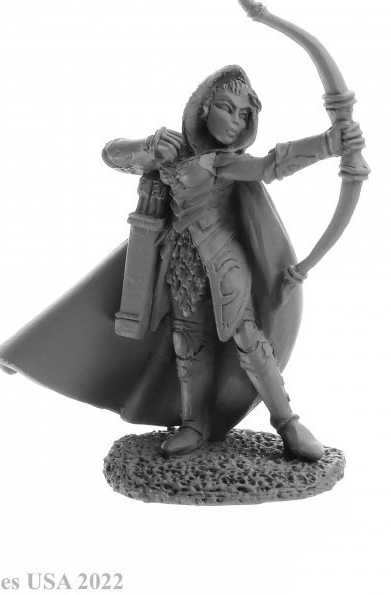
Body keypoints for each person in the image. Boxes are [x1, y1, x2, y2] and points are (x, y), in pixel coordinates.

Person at [102, 65, 364, 460]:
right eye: (226, 108)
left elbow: (269, 165)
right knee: (188, 341)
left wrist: (329, 143)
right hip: (180, 266)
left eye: (244, 114)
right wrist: (149, 145)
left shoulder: (226, 162)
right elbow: (112, 154)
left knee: (248, 338)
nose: (235, 121)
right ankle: (194, 423)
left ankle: (287, 422)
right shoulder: (172, 152)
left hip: (226, 265)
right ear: (204, 109)